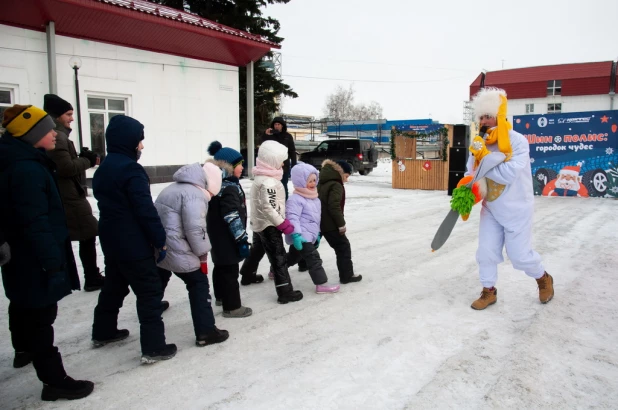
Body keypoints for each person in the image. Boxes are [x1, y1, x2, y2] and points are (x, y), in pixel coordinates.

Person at [0, 104, 93, 401]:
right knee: (41, 317)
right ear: (31, 134)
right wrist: (53, 264)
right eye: (47, 129)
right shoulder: (27, 169)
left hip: (21, 256)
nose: (55, 132)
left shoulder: (20, 159)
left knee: (24, 305)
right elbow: (35, 222)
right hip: (34, 256)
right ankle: (55, 381)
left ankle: (23, 349)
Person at [91, 115, 176, 363]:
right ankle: (153, 346)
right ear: (129, 141)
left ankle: (103, 330)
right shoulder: (131, 170)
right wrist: (159, 239)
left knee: (114, 286)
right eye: (139, 141)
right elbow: (144, 210)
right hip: (132, 242)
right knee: (149, 292)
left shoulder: (104, 168)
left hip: (111, 238)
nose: (142, 146)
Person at [467, 87, 554, 310]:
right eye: (482, 116)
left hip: (517, 209)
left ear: (500, 115)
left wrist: (485, 161)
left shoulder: (518, 141)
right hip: (492, 208)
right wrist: (465, 193)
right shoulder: (478, 143)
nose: (485, 120)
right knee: (485, 252)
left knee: (520, 257)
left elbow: (508, 174)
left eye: (489, 115)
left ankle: (543, 277)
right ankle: (489, 291)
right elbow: (471, 173)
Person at [155, 160, 232, 343]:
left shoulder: (173, 188)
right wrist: (203, 254)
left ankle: (152, 305)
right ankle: (206, 331)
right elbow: (195, 229)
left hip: (162, 247)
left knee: (161, 276)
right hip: (179, 248)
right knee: (198, 284)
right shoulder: (195, 195)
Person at [44, 94, 105, 291]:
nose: (71, 118)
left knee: (80, 234)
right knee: (87, 233)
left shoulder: (58, 135)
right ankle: (90, 276)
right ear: (57, 116)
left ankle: (78, 276)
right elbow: (66, 168)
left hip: (68, 194)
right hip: (69, 196)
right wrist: (87, 160)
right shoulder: (59, 136)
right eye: (68, 114)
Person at [240, 140, 303, 304]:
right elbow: (269, 207)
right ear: (272, 160)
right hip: (270, 225)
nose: (283, 163)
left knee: (257, 249)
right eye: (281, 160)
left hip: (259, 223)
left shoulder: (261, 177)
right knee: (278, 257)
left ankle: (247, 274)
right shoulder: (269, 182)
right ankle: (285, 291)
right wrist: (281, 223)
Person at [206, 141, 258, 316]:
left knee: (220, 266)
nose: (242, 167)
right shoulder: (228, 188)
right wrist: (241, 238)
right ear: (229, 167)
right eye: (239, 164)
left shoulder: (218, 184)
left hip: (216, 235)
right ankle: (232, 306)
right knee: (230, 270)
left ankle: (221, 296)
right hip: (227, 237)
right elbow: (232, 216)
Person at [285, 163, 340, 294]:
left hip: (311, 235)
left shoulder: (315, 198)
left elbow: (316, 218)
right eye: (309, 181)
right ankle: (321, 284)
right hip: (302, 236)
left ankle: (276, 269)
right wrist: (297, 235)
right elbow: (292, 217)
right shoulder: (295, 199)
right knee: (314, 259)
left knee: (293, 257)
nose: (313, 183)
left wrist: (318, 234)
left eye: (315, 180)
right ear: (300, 181)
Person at [318, 160, 362, 284]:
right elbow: (334, 207)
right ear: (340, 172)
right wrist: (341, 224)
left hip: (319, 220)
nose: (346, 180)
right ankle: (346, 275)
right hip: (330, 223)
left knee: (308, 246)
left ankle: (290, 264)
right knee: (343, 247)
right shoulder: (336, 185)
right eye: (346, 176)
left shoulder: (322, 181)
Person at [261, 117, 297, 200]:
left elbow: (292, 151)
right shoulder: (270, 135)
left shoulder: (288, 136)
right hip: (272, 166)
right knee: (272, 186)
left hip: (284, 166)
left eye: (278, 124)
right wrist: (265, 135)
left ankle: (284, 203)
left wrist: (294, 164)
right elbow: (263, 145)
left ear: (282, 126)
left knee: (283, 185)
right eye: (275, 124)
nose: (276, 126)